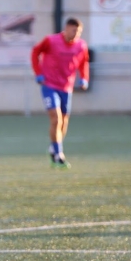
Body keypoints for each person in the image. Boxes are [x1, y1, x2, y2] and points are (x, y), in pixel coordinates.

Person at [31, 17, 89, 169]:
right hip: (49, 85)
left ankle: (53, 147)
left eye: (79, 31)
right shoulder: (51, 41)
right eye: (74, 30)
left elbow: (84, 63)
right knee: (56, 119)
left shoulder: (81, 46)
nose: (76, 34)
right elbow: (35, 52)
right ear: (66, 28)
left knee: (63, 123)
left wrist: (84, 79)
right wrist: (38, 72)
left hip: (66, 87)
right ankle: (58, 155)